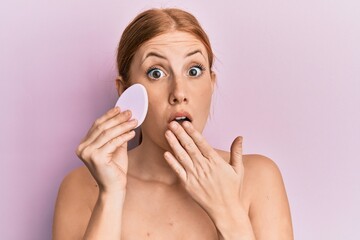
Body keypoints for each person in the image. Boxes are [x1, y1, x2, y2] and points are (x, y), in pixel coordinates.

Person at [53, 8, 293, 240]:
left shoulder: (259, 178)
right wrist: (111, 196)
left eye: (194, 70)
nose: (179, 92)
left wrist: (228, 213)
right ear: (125, 91)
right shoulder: (81, 187)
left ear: (211, 83)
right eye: (156, 73)